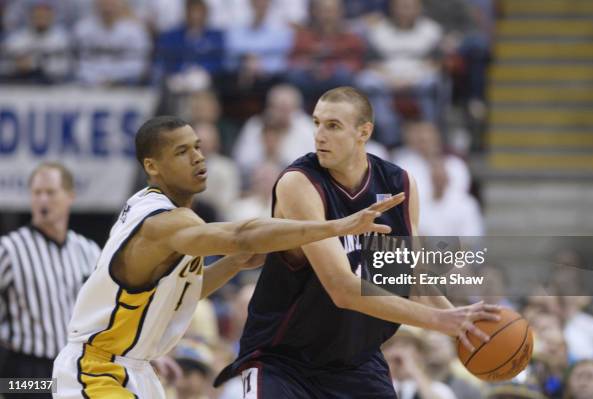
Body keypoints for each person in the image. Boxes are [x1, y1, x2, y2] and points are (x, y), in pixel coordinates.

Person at [52, 115, 403, 398]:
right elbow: (240, 234)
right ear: (152, 166)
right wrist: (336, 226)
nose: (197, 157)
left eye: (197, 147)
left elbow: (177, 295)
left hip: (134, 369)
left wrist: (232, 265)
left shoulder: (153, 207)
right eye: (181, 152)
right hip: (96, 369)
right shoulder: (164, 222)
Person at [215, 87, 501, 397]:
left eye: (333, 126)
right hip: (284, 362)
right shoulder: (300, 183)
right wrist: (440, 321)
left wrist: (461, 326)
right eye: (317, 123)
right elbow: (342, 288)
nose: (320, 135)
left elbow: (410, 277)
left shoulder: (398, 184)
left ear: (364, 132)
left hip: (356, 361)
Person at [0, 162, 100, 399]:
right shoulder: (10, 249)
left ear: (70, 197)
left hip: (73, 366)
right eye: (37, 193)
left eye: (50, 192)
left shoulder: (88, 250)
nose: (43, 200)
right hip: (25, 371)